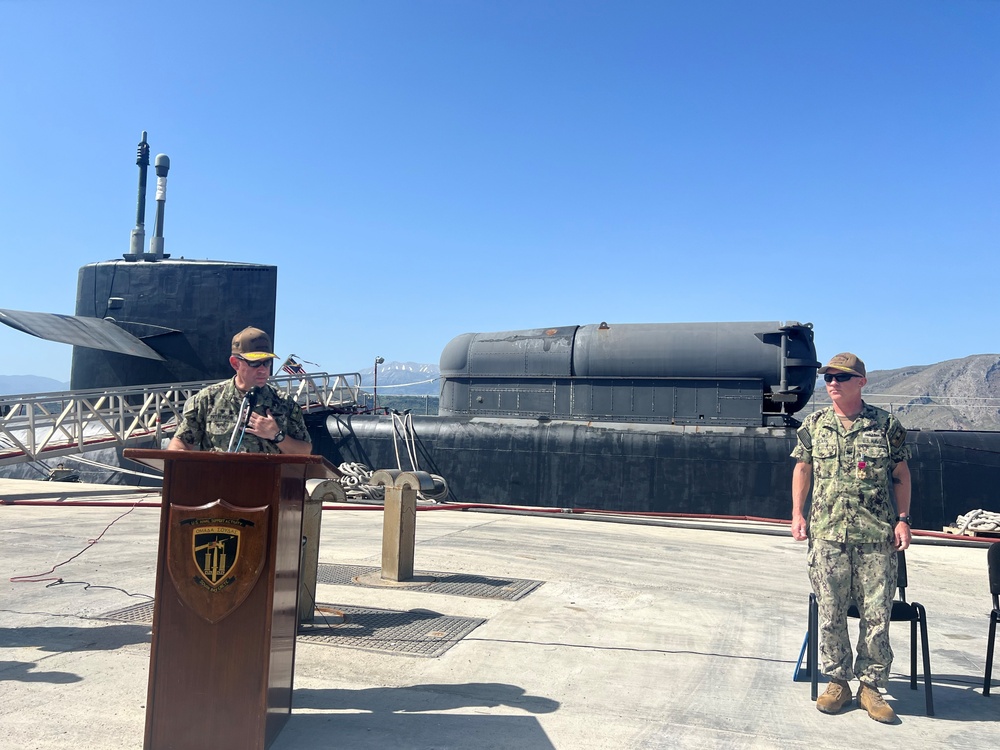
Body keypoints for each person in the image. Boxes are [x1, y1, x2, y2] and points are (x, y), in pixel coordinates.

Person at [790, 352, 912, 723]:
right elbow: (803, 468)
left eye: (841, 378)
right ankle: (837, 682)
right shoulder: (814, 424)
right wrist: (797, 514)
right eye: (828, 378)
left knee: (876, 616)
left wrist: (903, 519)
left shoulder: (886, 425)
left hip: (876, 537)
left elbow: (901, 473)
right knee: (830, 612)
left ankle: (871, 687)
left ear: (861, 381)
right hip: (828, 535)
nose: (832, 384)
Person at [167, 326, 312, 455]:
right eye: (254, 362)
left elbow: (305, 451)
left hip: (266, 482)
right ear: (235, 363)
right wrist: (179, 457)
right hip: (218, 482)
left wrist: (276, 435)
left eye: (267, 362)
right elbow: (181, 442)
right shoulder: (207, 399)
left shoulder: (284, 403)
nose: (263, 369)